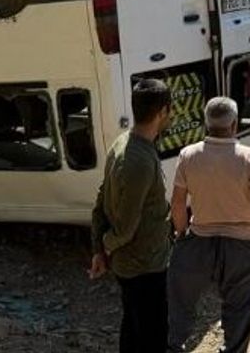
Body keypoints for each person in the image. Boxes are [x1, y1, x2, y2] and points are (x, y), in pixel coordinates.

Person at [168, 97, 250, 353]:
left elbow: (178, 202)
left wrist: (181, 233)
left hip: (200, 241)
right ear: (234, 124)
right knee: (242, 306)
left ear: (206, 124)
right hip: (243, 245)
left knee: (179, 301)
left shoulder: (188, 155)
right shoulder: (248, 157)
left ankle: (173, 345)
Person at [89, 79, 174, 353]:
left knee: (133, 330)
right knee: (152, 338)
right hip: (143, 268)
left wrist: (99, 249)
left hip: (134, 266)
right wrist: (104, 248)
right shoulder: (138, 161)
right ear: (162, 112)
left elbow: (101, 200)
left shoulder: (123, 143)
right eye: (169, 110)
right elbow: (125, 229)